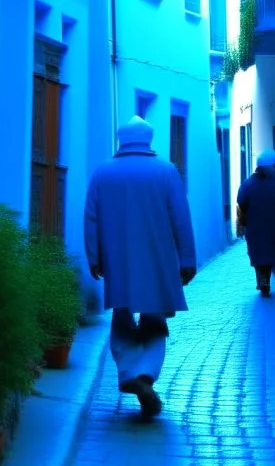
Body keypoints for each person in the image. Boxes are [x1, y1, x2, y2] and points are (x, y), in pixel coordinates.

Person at [84, 116, 197, 419]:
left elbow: (91, 217)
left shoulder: (103, 173)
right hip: (158, 261)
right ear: (148, 138)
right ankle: (145, 374)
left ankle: (129, 372)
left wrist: (94, 257)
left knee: (122, 317)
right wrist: (187, 259)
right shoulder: (166, 171)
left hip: (117, 261)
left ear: (122, 139)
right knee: (155, 320)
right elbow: (180, 218)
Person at [236, 149, 275, 298]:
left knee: (259, 255)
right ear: (274, 166)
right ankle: (272, 272)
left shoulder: (248, 184)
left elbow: (241, 200)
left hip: (255, 229)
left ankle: (263, 280)